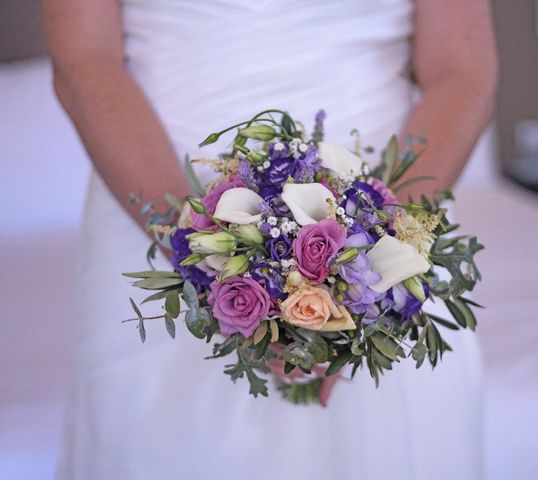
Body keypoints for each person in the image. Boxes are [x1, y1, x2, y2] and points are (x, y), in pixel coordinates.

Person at [44, 1, 497, 478]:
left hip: (389, 205)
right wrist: (203, 257)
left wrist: (376, 254)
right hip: (150, 196)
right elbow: (84, 61)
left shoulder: (381, 243)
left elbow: (461, 69)